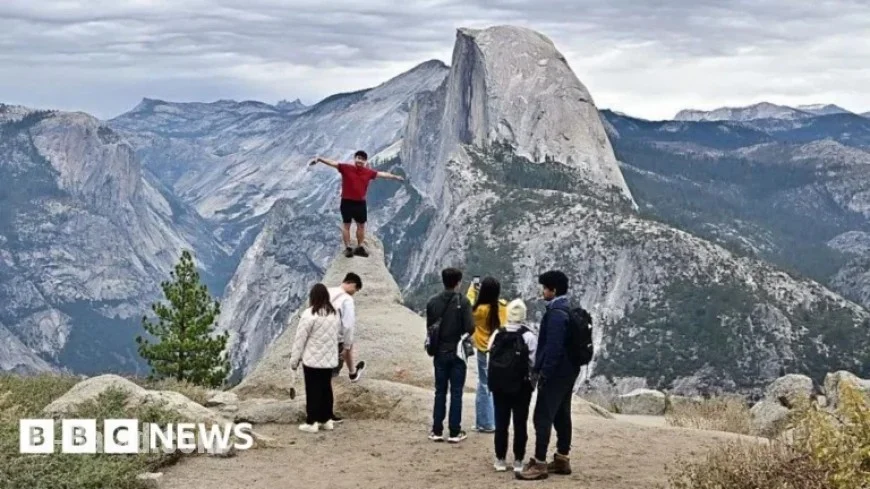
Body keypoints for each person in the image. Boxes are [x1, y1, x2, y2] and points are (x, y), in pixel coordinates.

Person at [517, 270, 581, 481]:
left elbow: (552, 348)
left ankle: (540, 462)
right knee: (562, 414)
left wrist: (544, 373)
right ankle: (562, 458)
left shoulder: (555, 314)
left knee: (542, 416)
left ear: (553, 290)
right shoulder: (568, 309)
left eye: (545, 288)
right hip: (569, 371)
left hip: (555, 373)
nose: (542, 291)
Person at [310, 151, 405, 258]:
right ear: (355, 159)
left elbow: (382, 174)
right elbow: (333, 163)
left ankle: (359, 247)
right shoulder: (346, 168)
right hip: (346, 202)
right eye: (358, 158)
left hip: (360, 203)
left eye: (362, 159)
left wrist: (395, 177)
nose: (360, 160)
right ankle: (348, 248)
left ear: (365, 161)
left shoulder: (368, 172)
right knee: (347, 225)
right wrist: (319, 159)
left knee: (361, 226)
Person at [487, 298, 537, 473]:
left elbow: (489, 353)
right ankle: (518, 460)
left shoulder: (497, 333)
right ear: (523, 315)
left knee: (501, 422)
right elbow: (534, 361)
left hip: (499, 385)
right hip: (521, 386)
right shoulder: (528, 336)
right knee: (520, 423)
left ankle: (500, 459)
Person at [426, 267, 474, 443]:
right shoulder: (464, 302)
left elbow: (430, 327)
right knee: (456, 392)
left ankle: (437, 430)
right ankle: (454, 431)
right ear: (458, 282)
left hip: (439, 352)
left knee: (440, 391)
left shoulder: (432, 302)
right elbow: (470, 328)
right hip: (458, 353)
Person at [289, 283, 342, 434]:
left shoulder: (309, 314)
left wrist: (294, 360)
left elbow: (300, 339)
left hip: (312, 359)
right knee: (326, 388)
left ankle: (312, 421)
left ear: (312, 297)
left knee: (313, 390)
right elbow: (337, 336)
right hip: (329, 360)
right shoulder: (334, 314)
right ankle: (326, 420)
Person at [466, 277, 507, 433]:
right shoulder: (503, 307)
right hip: (499, 351)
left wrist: (472, 289)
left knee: (484, 385)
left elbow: (468, 304)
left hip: (484, 351)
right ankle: (489, 421)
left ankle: (487, 423)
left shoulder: (479, 310)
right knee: (494, 385)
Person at [329, 272, 367, 386]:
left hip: (318, 337)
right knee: (332, 373)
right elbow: (348, 325)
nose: (355, 292)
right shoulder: (347, 299)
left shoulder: (327, 291)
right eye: (356, 289)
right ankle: (352, 373)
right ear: (351, 284)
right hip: (334, 340)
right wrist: (346, 347)